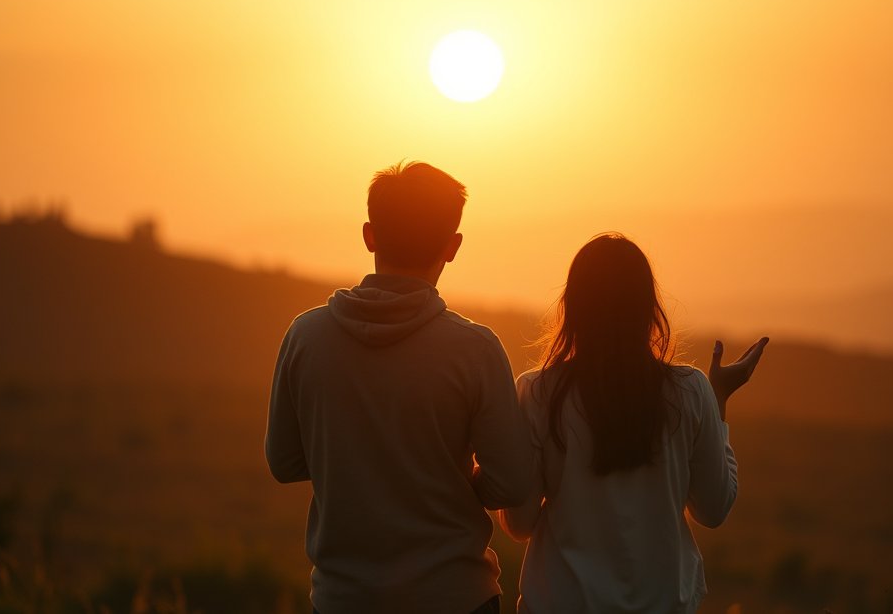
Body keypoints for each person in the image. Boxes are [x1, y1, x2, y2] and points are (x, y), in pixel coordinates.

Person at [266, 161, 533, 614]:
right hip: (456, 596)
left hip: (343, 599)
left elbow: (284, 461)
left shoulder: (306, 337)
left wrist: (352, 462)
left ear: (369, 235)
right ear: (452, 247)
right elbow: (510, 484)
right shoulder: (475, 349)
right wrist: (453, 477)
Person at [499, 233, 768, 614]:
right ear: (648, 308)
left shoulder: (537, 392)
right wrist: (718, 399)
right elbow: (714, 509)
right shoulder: (690, 391)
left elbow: (521, 523)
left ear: (573, 308)